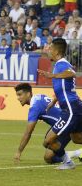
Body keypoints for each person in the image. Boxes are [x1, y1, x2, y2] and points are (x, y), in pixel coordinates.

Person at [38, 38, 82, 170]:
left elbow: (72, 73)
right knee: (77, 138)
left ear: (57, 51)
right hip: (74, 107)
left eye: (50, 49)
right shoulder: (58, 65)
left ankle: (68, 163)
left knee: (48, 141)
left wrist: (52, 76)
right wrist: (53, 101)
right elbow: (63, 89)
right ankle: (69, 161)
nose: (48, 51)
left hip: (71, 109)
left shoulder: (62, 64)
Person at [14, 83, 82, 163]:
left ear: (28, 94)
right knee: (48, 146)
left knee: (49, 156)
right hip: (66, 121)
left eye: (20, 95)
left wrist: (19, 152)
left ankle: (73, 156)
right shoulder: (40, 96)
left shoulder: (35, 108)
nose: (18, 98)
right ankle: (76, 154)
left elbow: (28, 132)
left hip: (65, 124)